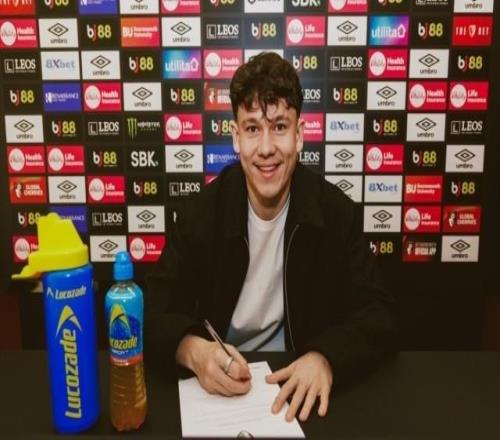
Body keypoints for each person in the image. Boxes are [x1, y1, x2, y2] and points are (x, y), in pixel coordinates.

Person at [146, 52, 397, 423]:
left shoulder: (336, 212)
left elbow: (380, 314)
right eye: (252, 129)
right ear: (236, 138)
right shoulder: (201, 213)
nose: (265, 148)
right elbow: (151, 311)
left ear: (299, 135)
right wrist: (193, 351)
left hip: (298, 393)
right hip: (218, 398)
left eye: (279, 126)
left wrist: (325, 357)